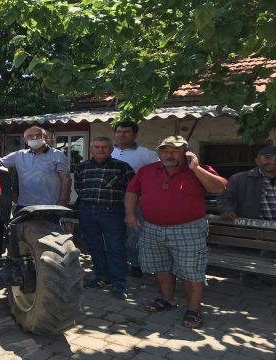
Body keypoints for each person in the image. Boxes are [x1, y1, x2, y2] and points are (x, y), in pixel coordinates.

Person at [125, 135, 227, 329]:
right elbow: (132, 191)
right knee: (161, 266)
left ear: (185, 152)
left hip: (188, 229)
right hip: (152, 228)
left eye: (175, 150)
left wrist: (195, 168)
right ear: (159, 153)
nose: (169, 154)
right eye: (165, 150)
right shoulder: (147, 171)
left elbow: (219, 188)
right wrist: (130, 214)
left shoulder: (198, 170)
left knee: (192, 272)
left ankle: (193, 310)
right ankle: (168, 300)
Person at [74, 137, 135, 299]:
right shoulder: (82, 167)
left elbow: (133, 191)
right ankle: (102, 278)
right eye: (97, 147)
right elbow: (79, 187)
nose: (100, 150)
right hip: (87, 211)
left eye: (104, 147)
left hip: (113, 212)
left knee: (116, 248)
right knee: (94, 247)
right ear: (91, 149)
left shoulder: (122, 167)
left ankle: (119, 283)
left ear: (111, 149)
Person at [217, 145, 276, 288]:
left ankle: (261, 279)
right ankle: (261, 280)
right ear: (257, 160)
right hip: (255, 230)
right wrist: (227, 210)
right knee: (264, 253)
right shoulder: (239, 178)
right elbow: (225, 198)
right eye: (267, 158)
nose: (272, 162)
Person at [111, 121, 159, 278]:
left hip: (136, 201)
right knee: (114, 234)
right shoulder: (107, 151)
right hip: (111, 201)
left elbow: (158, 176)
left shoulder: (147, 154)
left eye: (126, 132)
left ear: (135, 134)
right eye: (118, 131)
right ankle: (118, 264)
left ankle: (136, 264)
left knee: (134, 235)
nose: (121, 135)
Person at [0, 126, 70, 210]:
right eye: (30, 136)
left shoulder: (58, 155)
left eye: (38, 135)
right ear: (25, 140)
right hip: (24, 205)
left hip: (50, 205)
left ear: (45, 137)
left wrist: (62, 202)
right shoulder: (18, 155)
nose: (34, 137)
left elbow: (65, 180)